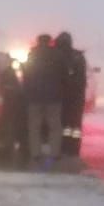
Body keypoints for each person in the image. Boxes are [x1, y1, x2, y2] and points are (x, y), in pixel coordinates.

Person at [21, 33, 65, 165]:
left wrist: (27, 91)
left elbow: (26, 74)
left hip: (34, 96)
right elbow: (63, 75)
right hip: (53, 96)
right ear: (50, 42)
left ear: (38, 41)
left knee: (34, 126)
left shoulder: (32, 55)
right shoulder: (57, 55)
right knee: (54, 126)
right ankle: (54, 152)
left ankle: (35, 153)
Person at [56, 31, 87, 158]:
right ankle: (73, 149)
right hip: (77, 97)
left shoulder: (57, 56)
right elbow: (82, 78)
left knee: (63, 123)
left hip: (62, 96)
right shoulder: (78, 56)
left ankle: (63, 147)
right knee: (75, 125)